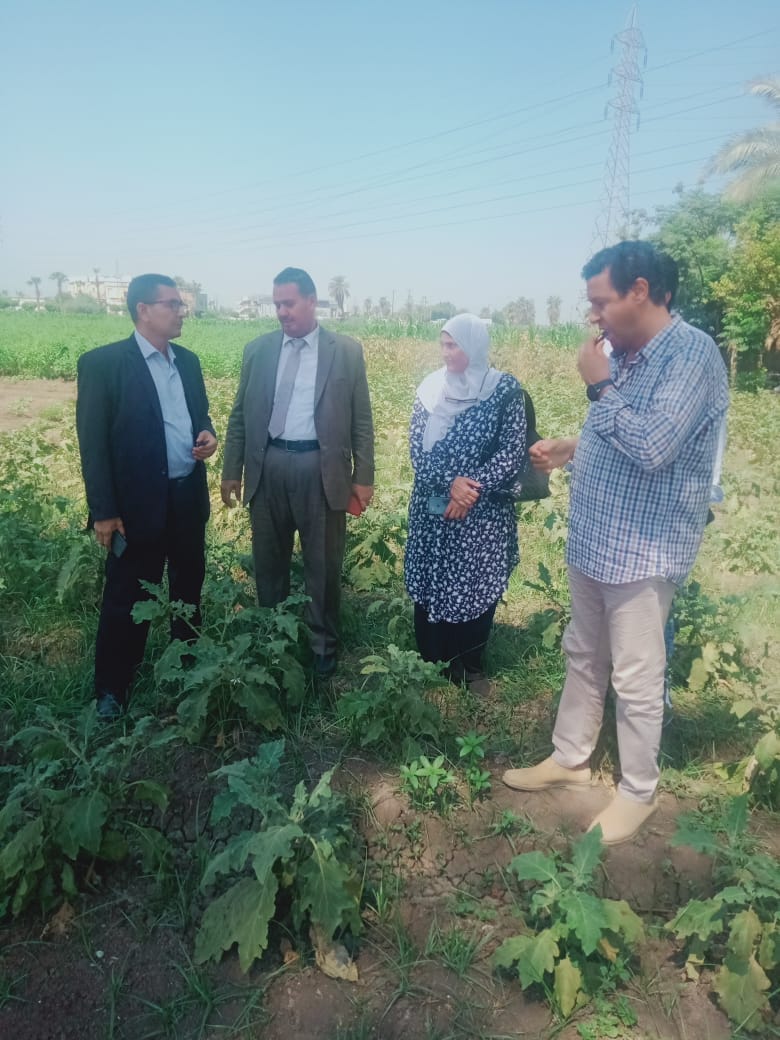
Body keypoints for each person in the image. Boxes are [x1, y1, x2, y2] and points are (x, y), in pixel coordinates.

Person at [502, 241, 728, 844]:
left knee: (635, 674)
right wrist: (572, 447)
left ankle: (638, 792)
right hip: (597, 537)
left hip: (645, 548)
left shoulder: (691, 355)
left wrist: (599, 388)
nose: (594, 316)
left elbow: (654, 446)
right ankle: (571, 757)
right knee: (583, 653)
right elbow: (623, 433)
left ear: (641, 291)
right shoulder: (626, 355)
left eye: (600, 302)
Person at [220, 267, 374, 677]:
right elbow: (240, 414)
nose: (282, 312)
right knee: (268, 561)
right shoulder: (258, 350)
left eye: (288, 303)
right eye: (277, 305)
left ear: (311, 301)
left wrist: (364, 477)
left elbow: (362, 421)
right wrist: (231, 468)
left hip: (321, 471)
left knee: (322, 564)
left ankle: (322, 645)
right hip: (268, 466)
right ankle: (274, 641)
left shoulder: (345, 351)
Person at [76, 274, 218, 718]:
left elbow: (201, 416)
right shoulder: (104, 365)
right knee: (127, 597)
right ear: (143, 310)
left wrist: (208, 436)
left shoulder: (188, 363)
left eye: (181, 304)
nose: (181, 311)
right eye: (172, 304)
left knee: (188, 587)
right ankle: (112, 690)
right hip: (136, 508)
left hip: (186, 498)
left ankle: (186, 668)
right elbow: (93, 444)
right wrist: (103, 511)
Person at [404, 313, 526, 694]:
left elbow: (512, 450)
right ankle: (432, 663)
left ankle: (471, 666)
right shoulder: (430, 389)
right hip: (434, 505)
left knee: (477, 584)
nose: (446, 352)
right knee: (431, 580)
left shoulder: (504, 391)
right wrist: (449, 483)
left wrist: (470, 489)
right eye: (443, 344)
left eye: (453, 344)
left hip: (482, 512)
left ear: (473, 346)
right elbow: (416, 450)